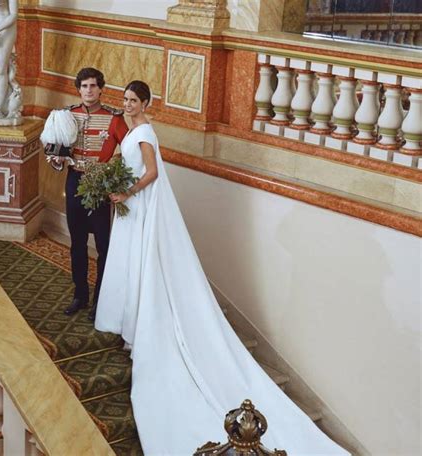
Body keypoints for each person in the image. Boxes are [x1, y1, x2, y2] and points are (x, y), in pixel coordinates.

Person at [95, 81, 349, 455]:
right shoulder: (132, 130)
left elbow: (151, 174)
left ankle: (142, 329)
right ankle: (132, 325)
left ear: (146, 102)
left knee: (142, 266)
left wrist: (126, 192)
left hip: (140, 204)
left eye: (134, 100)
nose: (128, 104)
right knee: (130, 264)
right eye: (126, 100)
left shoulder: (145, 132)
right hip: (133, 207)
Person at [50, 68, 128, 318]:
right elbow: (55, 153)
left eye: (93, 86)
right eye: (84, 86)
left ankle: (100, 301)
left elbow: (130, 152)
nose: (89, 90)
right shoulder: (67, 115)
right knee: (77, 243)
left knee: (104, 245)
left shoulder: (115, 118)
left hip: (100, 186)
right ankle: (80, 295)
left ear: (101, 88)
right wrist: (57, 159)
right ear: (78, 89)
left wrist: (113, 172)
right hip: (74, 181)